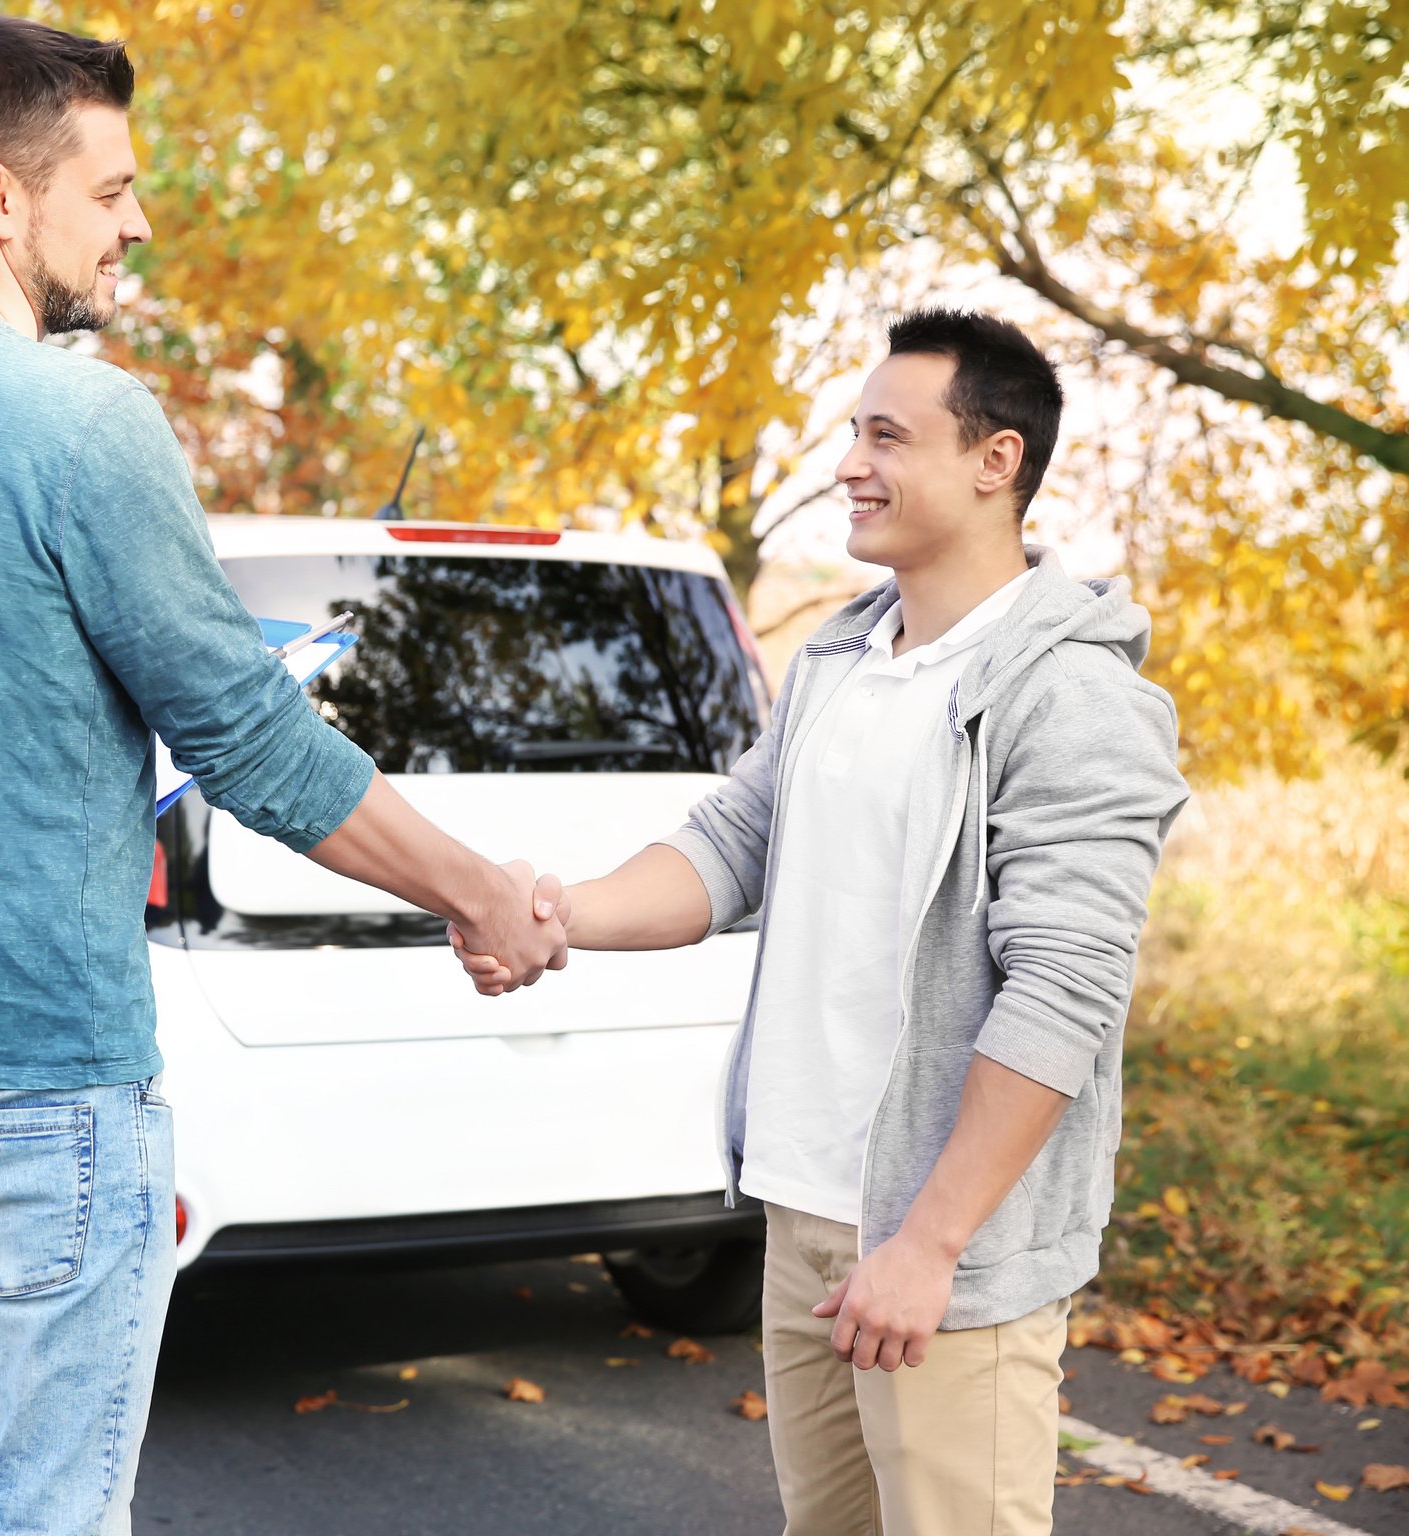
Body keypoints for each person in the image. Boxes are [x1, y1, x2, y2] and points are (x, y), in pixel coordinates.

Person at [0, 17, 564, 1535]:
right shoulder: (87, 421)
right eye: (112, 191)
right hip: (39, 1078)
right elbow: (254, 737)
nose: (139, 223)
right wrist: (476, 891)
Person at [455, 309, 1188, 1534]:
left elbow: (1064, 991)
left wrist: (931, 1244)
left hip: (939, 1243)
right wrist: (555, 913)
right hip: (804, 1210)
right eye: (854, 431)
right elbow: (733, 843)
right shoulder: (843, 659)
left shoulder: (1075, 697)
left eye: (887, 436)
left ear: (993, 461)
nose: (849, 463)